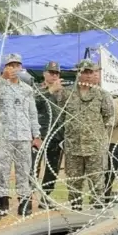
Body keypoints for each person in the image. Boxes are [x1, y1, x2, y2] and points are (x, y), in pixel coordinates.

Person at [59, 60, 113, 209]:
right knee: (74, 183)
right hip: (73, 146)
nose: (88, 75)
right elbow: (60, 115)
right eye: (85, 72)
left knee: (97, 183)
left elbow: (109, 118)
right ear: (78, 73)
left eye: (91, 72)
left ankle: (97, 212)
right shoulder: (67, 93)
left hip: (95, 147)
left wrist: (100, 137)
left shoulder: (102, 95)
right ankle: (76, 212)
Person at [0, 53, 40, 217]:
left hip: (23, 135)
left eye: (17, 65)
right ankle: (3, 203)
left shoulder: (27, 89)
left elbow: (32, 113)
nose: (14, 68)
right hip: (4, 135)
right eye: (10, 65)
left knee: (24, 170)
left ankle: (24, 202)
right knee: (3, 171)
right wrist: (1, 78)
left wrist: (36, 135)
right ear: (6, 68)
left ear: (21, 68)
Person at [36, 61, 67, 200]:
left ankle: (45, 196)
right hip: (39, 134)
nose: (54, 76)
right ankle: (27, 198)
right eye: (51, 72)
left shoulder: (64, 93)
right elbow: (34, 103)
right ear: (44, 74)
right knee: (34, 167)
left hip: (56, 135)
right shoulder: (37, 89)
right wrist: (50, 91)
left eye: (57, 73)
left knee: (52, 169)